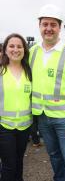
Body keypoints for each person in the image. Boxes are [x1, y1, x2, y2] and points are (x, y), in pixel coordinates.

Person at [29, 4, 65, 181]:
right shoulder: (32, 52)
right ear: (39, 26)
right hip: (42, 116)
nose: (48, 28)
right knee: (54, 155)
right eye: (45, 24)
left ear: (59, 28)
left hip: (64, 119)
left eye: (53, 25)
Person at [0, 33, 32, 181]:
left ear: (24, 50)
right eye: (11, 46)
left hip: (24, 127)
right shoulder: (1, 71)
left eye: (19, 46)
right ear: (5, 49)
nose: (15, 49)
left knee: (19, 162)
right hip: (4, 126)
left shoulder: (29, 72)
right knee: (9, 165)